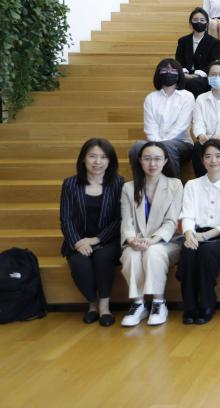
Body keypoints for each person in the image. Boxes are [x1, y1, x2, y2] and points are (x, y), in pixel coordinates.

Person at [178, 139, 220, 325]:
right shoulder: (192, 185)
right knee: (188, 252)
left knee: (206, 252)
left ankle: (207, 303)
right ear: (202, 160)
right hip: (196, 233)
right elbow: (187, 215)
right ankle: (190, 307)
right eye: (208, 156)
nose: (213, 160)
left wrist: (206, 236)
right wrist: (189, 234)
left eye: (218, 156)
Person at [60, 138, 124, 327]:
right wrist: (78, 242)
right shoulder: (70, 184)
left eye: (103, 157)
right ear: (83, 159)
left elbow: (120, 219)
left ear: (110, 161)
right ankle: (92, 305)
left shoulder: (118, 183)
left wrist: (96, 239)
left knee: (102, 258)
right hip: (79, 240)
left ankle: (104, 307)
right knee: (80, 263)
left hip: (108, 239)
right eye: (92, 156)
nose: (97, 162)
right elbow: (66, 218)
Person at [119, 142, 183, 327]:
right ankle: (138, 304)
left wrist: (152, 240)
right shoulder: (128, 188)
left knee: (153, 252)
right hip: (137, 241)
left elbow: (171, 221)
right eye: (147, 159)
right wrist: (131, 240)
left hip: (166, 242)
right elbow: (127, 220)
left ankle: (158, 303)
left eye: (157, 159)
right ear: (140, 161)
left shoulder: (175, 185)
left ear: (165, 161)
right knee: (131, 254)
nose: (152, 164)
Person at [129, 58, 194, 177]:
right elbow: (150, 127)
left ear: (179, 74)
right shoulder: (151, 98)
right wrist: (156, 145)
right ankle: (140, 186)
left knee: (167, 147)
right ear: (158, 74)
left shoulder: (187, 96)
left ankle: (173, 186)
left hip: (182, 143)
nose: (168, 73)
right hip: (154, 142)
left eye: (172, 70)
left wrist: (160, 146)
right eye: (164, 70)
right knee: (136, 147)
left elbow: (181, 126)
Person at [175, 7, 220, 97]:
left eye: (202, 20)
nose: (199, 22)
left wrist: (197, 75)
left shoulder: (214, 42)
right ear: (191, 23)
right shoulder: (183, 41)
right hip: (185, 75)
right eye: (195, 20)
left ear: (207, 23)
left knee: (193, 83)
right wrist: (184, 73)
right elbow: (179, 60)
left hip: (204, 76)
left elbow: (212, 63)